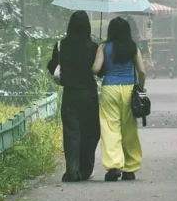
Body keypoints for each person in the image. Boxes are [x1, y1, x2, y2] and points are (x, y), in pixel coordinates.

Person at [47, 10, 100, 182]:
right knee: (90, 132)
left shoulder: (61, 45)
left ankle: (71, 170)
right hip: (89, 94)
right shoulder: (93, 46)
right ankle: (86, 169)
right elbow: (101, 71)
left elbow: (52, 66)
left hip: (70, 94)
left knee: (71, 132)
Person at [93, 14, 146, 181]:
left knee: (110, 128)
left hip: (109, 88)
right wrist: (141, 87)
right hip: (129, 88)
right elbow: (142, 71)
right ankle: (130, 168)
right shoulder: (133, 47)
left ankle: (114, 166)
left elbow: (95, 69)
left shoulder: (103, 47)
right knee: (129, 129)